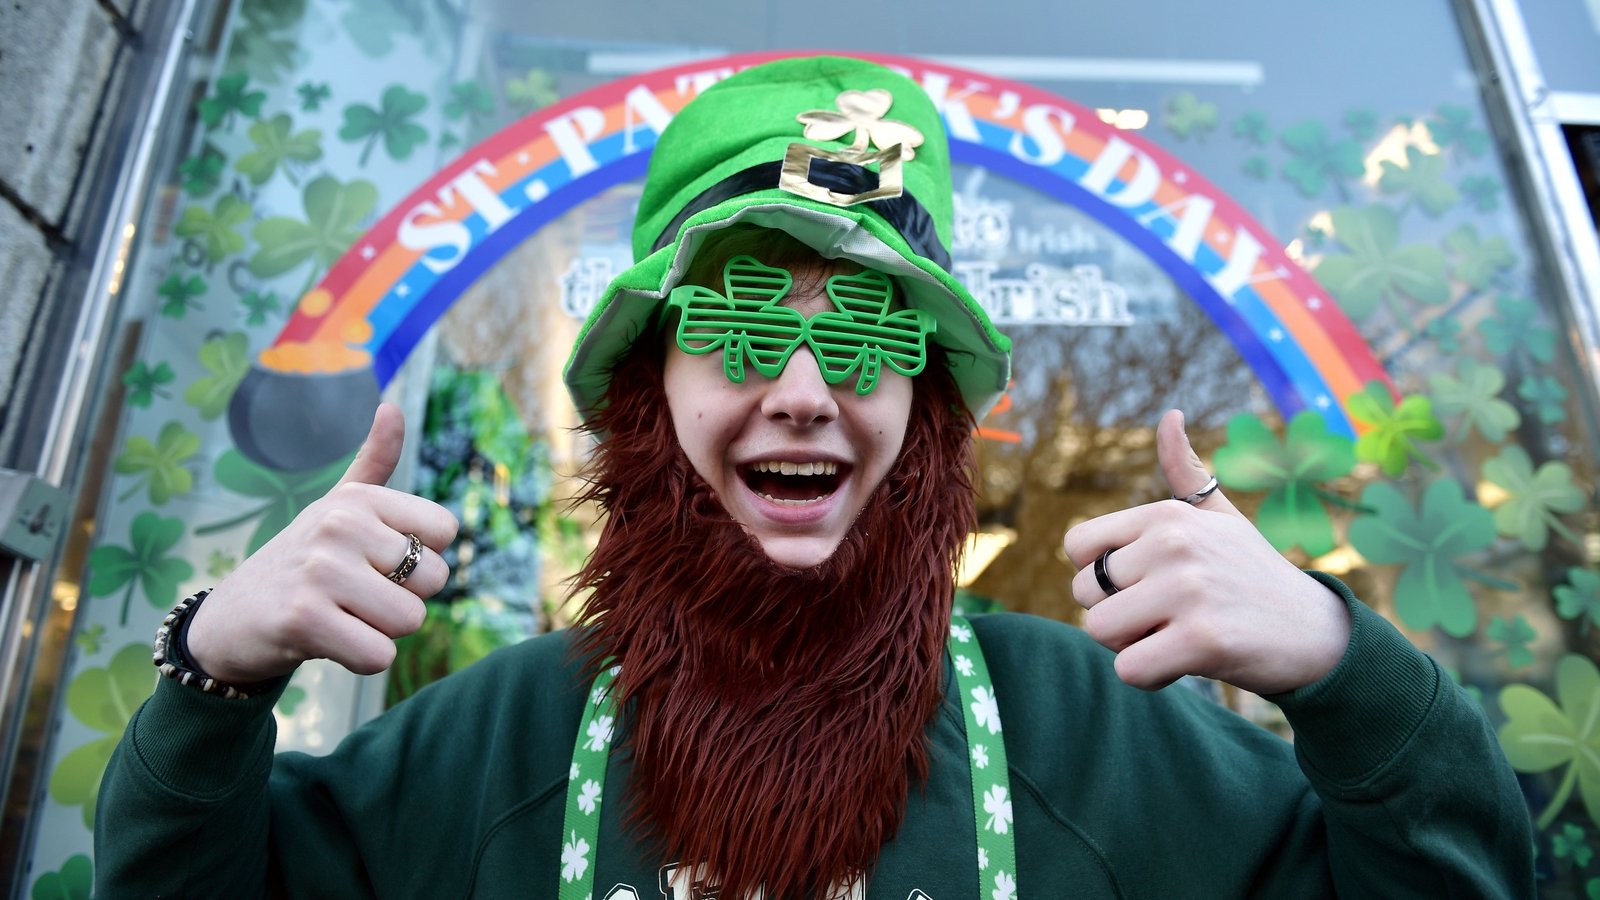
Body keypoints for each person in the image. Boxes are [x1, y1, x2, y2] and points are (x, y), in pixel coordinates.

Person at [95, 55, 1534, 899]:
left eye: (862, 329)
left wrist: (1346, 674)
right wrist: (215, 671)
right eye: (735, 327)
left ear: (927, 405)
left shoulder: (1092, 736)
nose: (802, 391)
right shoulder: (500, 748)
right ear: (648, 389)